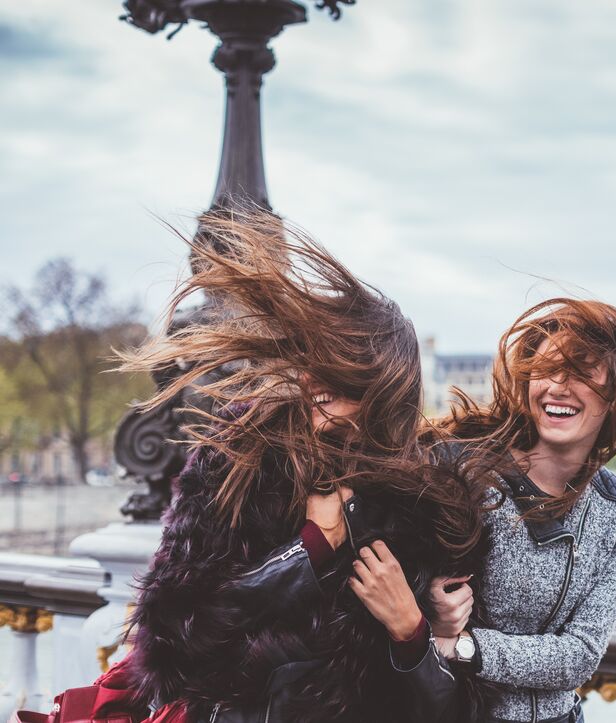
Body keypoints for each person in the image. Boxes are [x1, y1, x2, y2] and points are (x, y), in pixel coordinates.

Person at [116, 211, 487, 723]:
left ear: (385, 395)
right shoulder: (236, 458)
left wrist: (412, 630)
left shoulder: (426, 508)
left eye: (347, 377)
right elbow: (169, 647)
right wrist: (309, 549)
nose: (319, 382)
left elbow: (448, 711)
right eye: (319, 360)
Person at [429, 299, 616, 723]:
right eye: (546, 370)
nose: (558, 386)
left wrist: (463, 646)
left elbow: (580, 656)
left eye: (582, 373)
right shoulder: (462, 473)